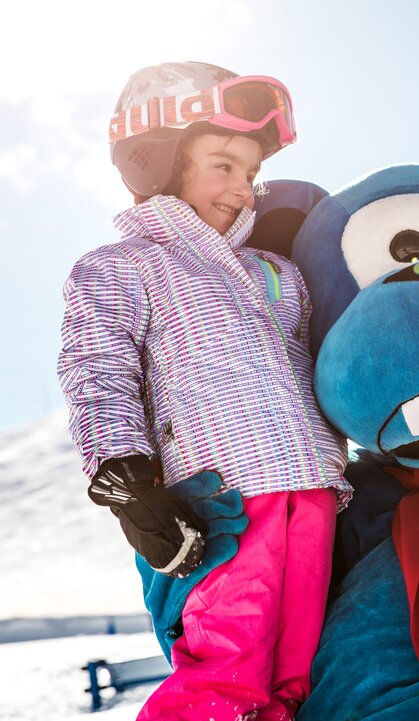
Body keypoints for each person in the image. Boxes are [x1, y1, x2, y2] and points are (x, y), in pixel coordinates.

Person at [58, 61, 351, 721]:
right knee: (225, 673)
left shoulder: (277, 274)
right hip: (223, 503)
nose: (243, 191)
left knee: (297, 681)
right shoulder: (123, 266)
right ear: (157, 162)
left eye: (250, 175)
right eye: (223, 166)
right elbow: (97, 367)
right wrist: (127, 480)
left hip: (313, 493)